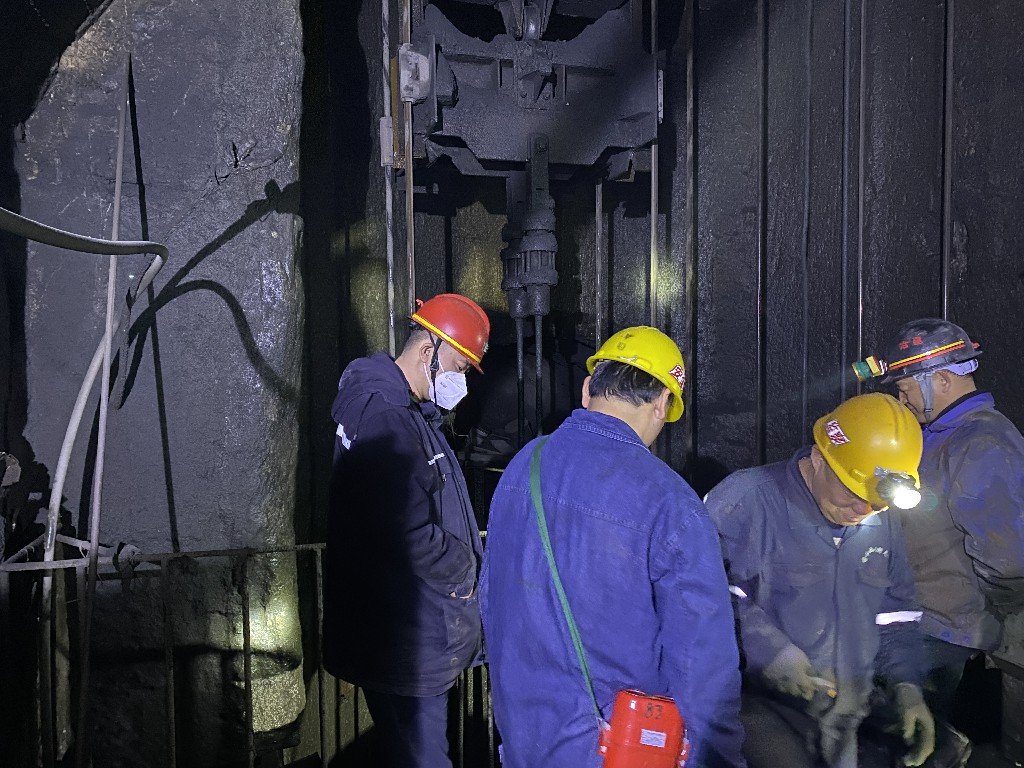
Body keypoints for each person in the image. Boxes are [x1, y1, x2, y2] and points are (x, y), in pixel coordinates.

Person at [481, 326, 746, 768]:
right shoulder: (671, 503)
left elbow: (492, 599)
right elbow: (703, 664)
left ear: (588, 389)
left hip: (525, 736)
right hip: (616, 747)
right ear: (662, 403)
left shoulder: (526, 463)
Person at [704, 393, 935, 768]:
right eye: (853, 493)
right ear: (818, 457)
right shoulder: (745, 502)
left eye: (877, 502)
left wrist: (906, 685)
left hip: (845, 720)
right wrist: (770, 652)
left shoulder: (877, 516)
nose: (863, 510)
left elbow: (896, 612)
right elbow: (703, 599)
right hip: (755, 714)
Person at [322, 293, 490, 768]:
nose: (461, 382)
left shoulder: (403, 412)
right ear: (427, 351)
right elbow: (406, 532)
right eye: (458, 367)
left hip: (398, 627)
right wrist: (465, 571)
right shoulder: (388, 417)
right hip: (406, 639)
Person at [875, 318, 1024, 766]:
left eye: (906, 389)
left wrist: (995, 620)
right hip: (918, 613)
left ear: (941, 379)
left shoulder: (983, 444)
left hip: (944, 625)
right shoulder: (938, 435)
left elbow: (1009, 561)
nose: (902, 399)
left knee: (910, 737)